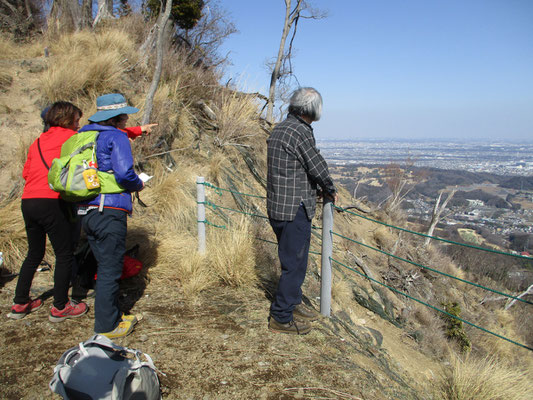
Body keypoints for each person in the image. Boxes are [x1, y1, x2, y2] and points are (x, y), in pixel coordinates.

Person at [8, 102, 89, 321]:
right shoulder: (71, 139)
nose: (78, 124)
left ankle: (20, 302)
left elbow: (26, 173)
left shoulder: (38, 141)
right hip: (52, 200)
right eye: (76, 120)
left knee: (34, 253)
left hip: (29, 200)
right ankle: (60, 307)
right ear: (67, 119)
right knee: (63, 254)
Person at [266, 87, 337, 335]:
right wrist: (329, 188)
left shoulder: (281, 128)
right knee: (294, 265)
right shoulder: (300, 131)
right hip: (293, 209)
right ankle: (281, 316)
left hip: (277, 205)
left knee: (292, 261)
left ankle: (293, 304)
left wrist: (311, 189)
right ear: (313, 109)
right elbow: (316, 165)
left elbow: (290, 170)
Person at [77, 93, 145, 339]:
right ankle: (108, 325)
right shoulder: (116, 136)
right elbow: (125, 173)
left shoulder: (84, 135)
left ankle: (110, 313)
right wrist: (138, 184)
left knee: (102, 263)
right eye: (125, 114)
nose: (127, 117)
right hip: (110, 209)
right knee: (110, 268)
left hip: (87, 208)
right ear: (117, 117)